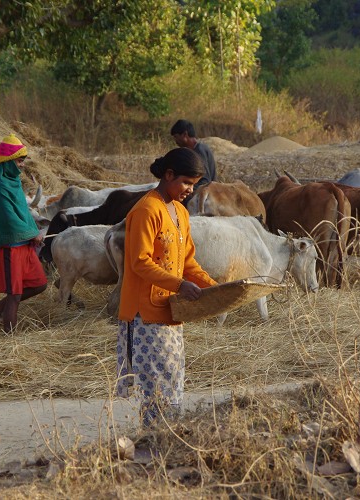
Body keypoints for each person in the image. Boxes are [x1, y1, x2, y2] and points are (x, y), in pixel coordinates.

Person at [116, 147, 217, 427]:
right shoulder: (147, 210)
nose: (189, 190)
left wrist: (217, 288)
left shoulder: (181, 213)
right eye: (186, 182)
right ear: (168, 175)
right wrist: (180, 285)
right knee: (155, 386)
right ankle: (154, 442)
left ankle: (168, 437)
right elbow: (139, 262)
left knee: (172, 379)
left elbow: (187, 262)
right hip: (145, 315)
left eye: (194, 185)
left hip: (170, 310)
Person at [0, 134, 47, 333]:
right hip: (11, 247)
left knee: (39, 284)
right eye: (19, 160)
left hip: (24, 245)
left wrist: (34, 232)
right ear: (9, 161)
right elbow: (9, 218)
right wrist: (32, 233)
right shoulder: (0, 185)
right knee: (15, 295)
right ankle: (9, 340)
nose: (22, 165)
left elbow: (23, 212)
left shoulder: (13, 182)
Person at [170, 119, 217, 189]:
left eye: (176, 137)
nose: (175, 141)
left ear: (185, 134)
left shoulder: (199, 151)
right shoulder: (192, 151)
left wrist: (185, 187)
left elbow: (205, 181)